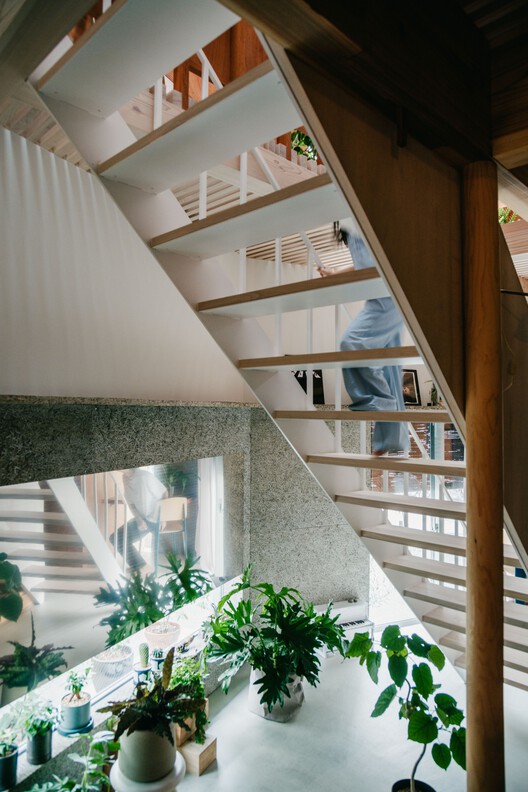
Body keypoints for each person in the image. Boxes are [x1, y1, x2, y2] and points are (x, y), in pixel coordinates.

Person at [318, 218, 409, 455]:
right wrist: (338, 272)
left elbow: (382, 261)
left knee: (351, 343)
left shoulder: (362, 204)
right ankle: (389, 441)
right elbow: (366, 262)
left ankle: (382, 407)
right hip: (381, 295)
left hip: (389, 295)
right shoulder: (348, 215)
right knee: (389, 370)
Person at [112, 467, 168, 570]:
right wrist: (139, 520)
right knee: (115, 538)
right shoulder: (125, 478)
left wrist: (163, 517)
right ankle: (141, 566)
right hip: (143, 518)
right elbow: (131, 503)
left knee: (119, 539)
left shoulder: (144, 476)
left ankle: (141, 567)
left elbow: (164, 492)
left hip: (155, 519)